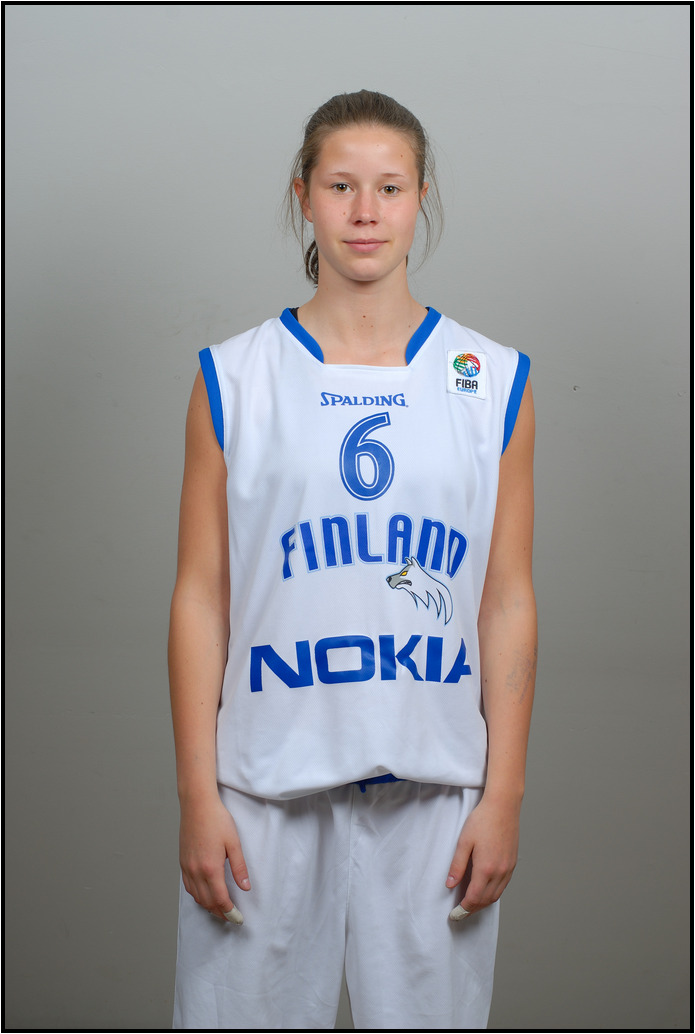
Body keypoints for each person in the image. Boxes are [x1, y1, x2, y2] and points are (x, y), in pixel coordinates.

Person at [169, 89, 536, 1031]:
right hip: (263, 790)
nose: (365, 212)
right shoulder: (234, 376)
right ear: (302, 195)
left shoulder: (489, 379)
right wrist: (197, 794)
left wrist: (502, 794)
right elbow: (201, 596)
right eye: (340, 186)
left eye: (389, 187)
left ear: (421, 197)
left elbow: (504, 599)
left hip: (433, 796)